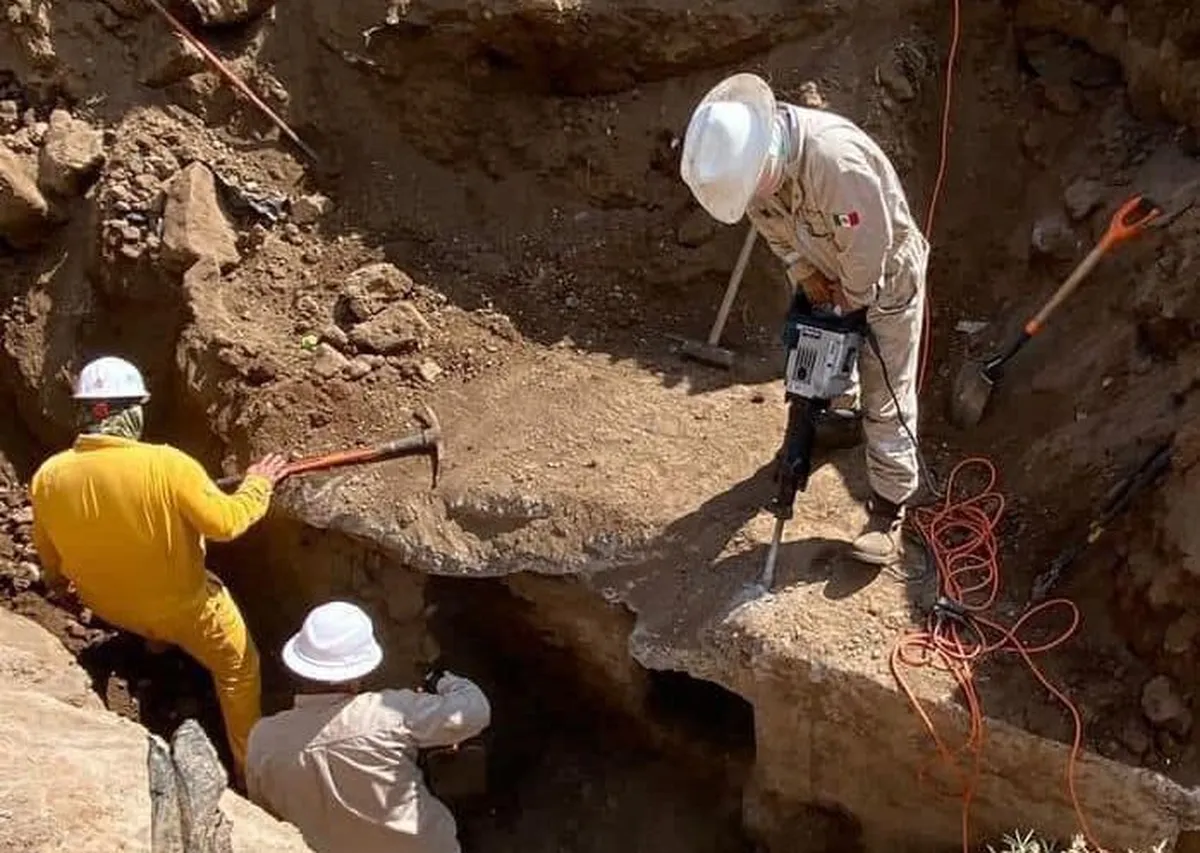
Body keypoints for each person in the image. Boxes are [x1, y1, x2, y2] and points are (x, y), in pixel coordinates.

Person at [679, 72, 929, 566]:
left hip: (884, 276)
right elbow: (770, 224)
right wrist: (802, 270)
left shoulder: (835, 163)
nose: (753, 197)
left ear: (765, 154)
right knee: (818, 360)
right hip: (825, 267)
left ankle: (889, 506)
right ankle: (837, 421)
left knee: (884, 388)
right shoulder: (753, 175)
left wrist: (849, 302)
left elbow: (869, 249)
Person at [29, 356, 288, 779]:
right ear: (127, 410)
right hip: (185, 612)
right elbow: (226, 524)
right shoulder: (168, 464)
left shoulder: (48, 476)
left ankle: (156, 647)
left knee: (141, 591)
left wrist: (59, 587)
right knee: (239, 669)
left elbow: (49, 555)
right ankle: (249, 770)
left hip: (110, 605)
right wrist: (258, 485)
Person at [246, 601, 491, 853]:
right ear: (358, 672)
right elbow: (475, 710)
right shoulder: (389, 713)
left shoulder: (262, 740)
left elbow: (263, 818)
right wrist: (438, 679)